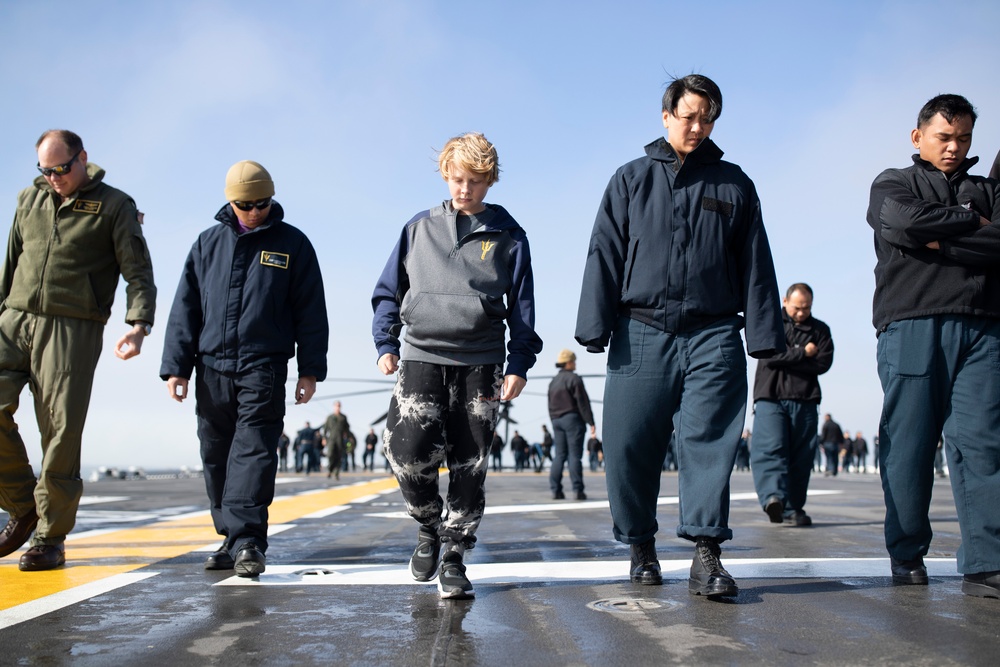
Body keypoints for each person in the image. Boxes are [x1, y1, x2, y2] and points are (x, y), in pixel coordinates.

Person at [574, 74, 785, 598]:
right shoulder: (630, 179)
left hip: (714, 332)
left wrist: (763, 337)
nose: (697, 127)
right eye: (688, 116)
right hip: (640, 329)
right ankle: (641, 547)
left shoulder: (735, 184)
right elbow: (605, 252)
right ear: (665, 115)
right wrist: (595, 327)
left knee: (711, 443)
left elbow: (756, 263)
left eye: (707, 118)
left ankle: (706, 554)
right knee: (627, 445)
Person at [372, 132, 542, 600]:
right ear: (446, 174)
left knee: (470, 462)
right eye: (457, 179)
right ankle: (428, 526)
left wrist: (519, 363)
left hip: (481, 364)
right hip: (420, 354)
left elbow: (523, 309)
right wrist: (385, 342)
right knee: (406, 453)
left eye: (475, 181)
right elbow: (388, 291)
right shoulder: (417, 228)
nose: (464, 189)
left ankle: (453, 554)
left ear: (489, 181)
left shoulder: (510, 236)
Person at [160, 160, 328, 577]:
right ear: (229, 202)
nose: (254, 212)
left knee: (253, 451)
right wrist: (176, 367)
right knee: (215, 454)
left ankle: (249, 541)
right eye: (245, 205)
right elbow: (186, 307)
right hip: (210, 368)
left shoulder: (294, 245)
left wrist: (310, 370)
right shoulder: (207, 244)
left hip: (263, 365)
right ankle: (230, 537)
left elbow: (310, 311)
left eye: (262, 203)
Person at [0, 130, 156, 572]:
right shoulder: (28, 200)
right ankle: (21, 502)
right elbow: (9, 261)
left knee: (60, 433)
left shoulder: (113, 205)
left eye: (61, 169)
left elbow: (138, 272)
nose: (54, 178)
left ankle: (50, 538)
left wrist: (138, 325)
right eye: (45, 171)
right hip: (13, 318)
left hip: (71, 327)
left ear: (82, 158)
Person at [868, 93, 1000, 598]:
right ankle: (907, 554)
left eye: (963, 138)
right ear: (918, 136)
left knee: (983, 443)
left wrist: (937, 239)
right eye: (944, 137)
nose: (953, 147)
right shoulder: (893, 182)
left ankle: (987, 561)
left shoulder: (987, 188)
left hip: (983, 327)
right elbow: (899, 222)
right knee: (909, 445)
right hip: (911, 323)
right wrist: (969, 223)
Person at [749, 283, 834, 527]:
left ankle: (794, 508)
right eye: (797, 308)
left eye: (806, 308)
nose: (801, 313)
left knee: (802, 456)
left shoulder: (820, 330)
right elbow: (768, 355)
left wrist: (787, 356)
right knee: (770, 449)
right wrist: (802, 353)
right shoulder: (769, 323)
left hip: (805, 399)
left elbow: (823, 363)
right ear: (785, 301)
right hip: (770, 397)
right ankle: (773, 499)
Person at [547, 349, 596, 500]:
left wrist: (554, 420)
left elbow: (549, 405)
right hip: (573, 419)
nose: (575, 364)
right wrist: (591, 422)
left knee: (559, 456)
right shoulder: (574, 379)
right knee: (574, 456)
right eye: (574, 361)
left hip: (556, 420)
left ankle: (556, 490)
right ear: (568, 363)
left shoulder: (553, 382)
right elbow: (583, 402)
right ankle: (578, 490)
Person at [323, 401, 349, 479]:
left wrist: (347, 436)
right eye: (336, 406)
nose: (338, 407)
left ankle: (336, 473)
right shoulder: (330, 417)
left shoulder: (343, 417)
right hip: (331, 439)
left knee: (339, 456)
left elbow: (347, 428)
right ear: (334, 407)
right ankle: (330, 469)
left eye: (339, 406)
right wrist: (324, 438)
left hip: (340, 439)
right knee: (330, 455)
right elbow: (325, 428)